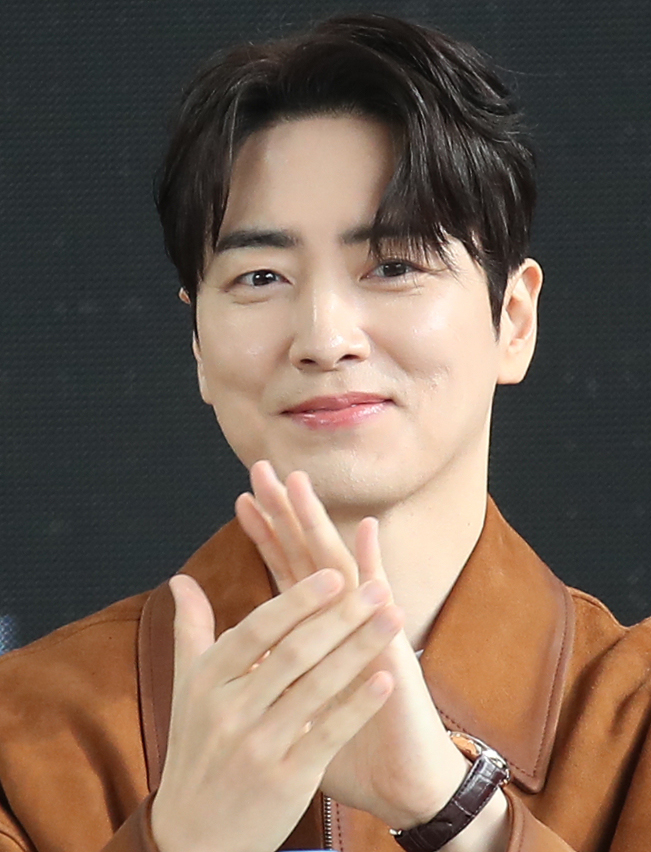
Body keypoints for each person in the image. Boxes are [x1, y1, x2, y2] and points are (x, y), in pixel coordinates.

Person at [0, 12, 650, 852]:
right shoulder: (27, 732)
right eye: (260, 276)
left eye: (394, 266)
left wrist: (455, 812)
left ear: (513, 319)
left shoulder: (630, 719)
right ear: (197, 345)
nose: (323, 336)